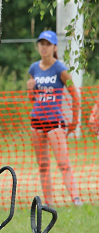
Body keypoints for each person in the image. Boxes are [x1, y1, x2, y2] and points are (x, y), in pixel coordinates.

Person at [27, 30, 82, 206]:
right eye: (41, 43)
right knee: (43, 165)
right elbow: (32, 99)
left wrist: (74, 120)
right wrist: (30, 89)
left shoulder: (60, 68)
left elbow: (75, 94)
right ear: (38, 46)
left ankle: (76, 199)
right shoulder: (33, 68)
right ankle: (48, 203)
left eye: (48, 44)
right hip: (36, 121)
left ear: (54, 47)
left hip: (55, 122)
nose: (44, 47)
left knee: (63, 163)